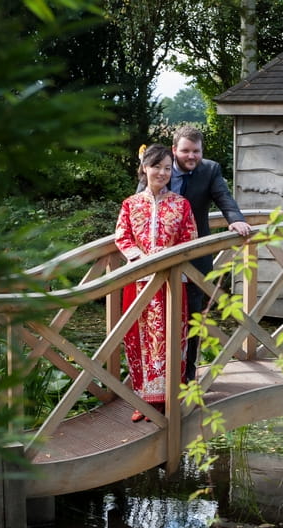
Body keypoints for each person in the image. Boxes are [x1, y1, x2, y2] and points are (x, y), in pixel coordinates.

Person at [115, 143, 198, 422]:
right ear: (145, 168)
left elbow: (190, 238)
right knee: (137, 340)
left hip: (172, 283)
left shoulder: (181, 204)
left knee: (171, 338)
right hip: (138, 282)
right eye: (156, 167)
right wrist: (139, 257)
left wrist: (169, 253)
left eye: (166, 168)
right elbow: (122, 236)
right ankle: (144, 401)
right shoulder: (130, 204)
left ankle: (169, 400)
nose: (162, 172)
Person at [170, 125, 251, 380]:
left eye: (196, 151)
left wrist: (235, 219)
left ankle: (188, 377)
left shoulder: (210, 169)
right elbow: (141, 201)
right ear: (174, 151)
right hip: (162, 258)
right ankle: (160, 381)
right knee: (162, 319)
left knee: (194, 317)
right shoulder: (158, 166)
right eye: (185, 151)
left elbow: (224, 197)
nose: (191, 156)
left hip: (197, 256)